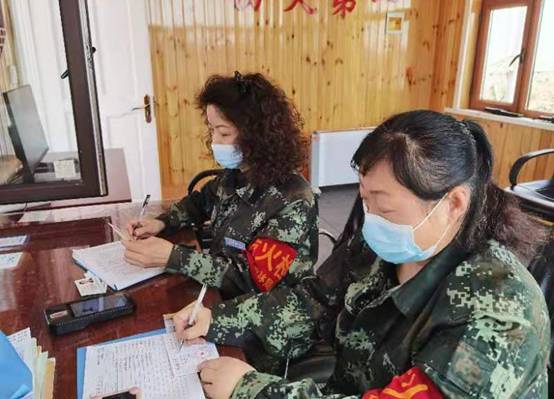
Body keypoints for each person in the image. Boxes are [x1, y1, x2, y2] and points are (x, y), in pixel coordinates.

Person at [173, 110, 550, 398]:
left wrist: (251, 389)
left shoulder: (500, 313)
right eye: (365, 199)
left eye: (383, 205)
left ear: (453, 204)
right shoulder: (381, 244)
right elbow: (313, 301)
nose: (371, 219)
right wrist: (216, 319)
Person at [122, 72, 318, 300]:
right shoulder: (237, 174)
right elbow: (199, 202)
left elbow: (253, 278)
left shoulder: (293, 200)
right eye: (212, 129)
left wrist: (174, 257)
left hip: (267, 309)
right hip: (221, 294)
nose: (214, 141)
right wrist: (161, 222)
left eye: (224, 132)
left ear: (257, 136)